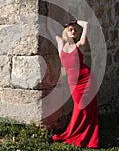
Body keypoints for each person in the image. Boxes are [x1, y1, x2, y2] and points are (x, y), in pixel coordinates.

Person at [47, 17, 99, 148]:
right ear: (65, 31)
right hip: (74, 83)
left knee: (87, 109)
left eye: (75, 30)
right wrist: (46, 12)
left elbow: (83, 40)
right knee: (79, 107)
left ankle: (89, 136)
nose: (73, 31)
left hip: (87, 79)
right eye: (71, 29)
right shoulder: (61, 44)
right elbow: (50, 28)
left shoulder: (78, 46)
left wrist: (85, 26)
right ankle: (73, 133)